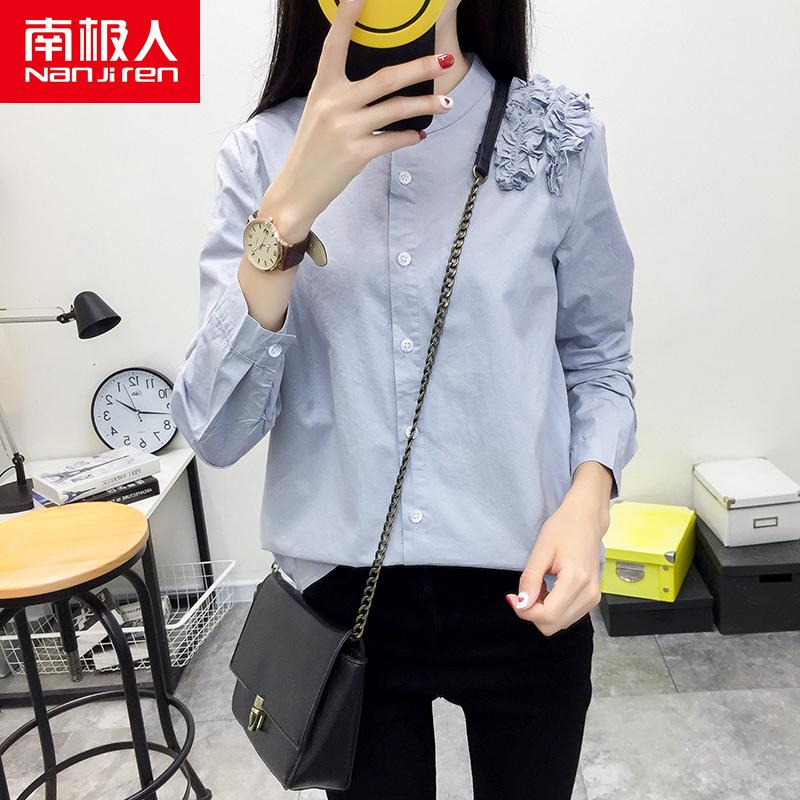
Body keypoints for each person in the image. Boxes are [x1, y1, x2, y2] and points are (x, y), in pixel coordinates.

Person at [171, 0, 638, 796]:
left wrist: (587, 504)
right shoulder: (264, 154)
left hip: (528, 578)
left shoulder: (556, 138)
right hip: (341, 601)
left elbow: (598, 356)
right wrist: (287, 212)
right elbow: (215, 433)